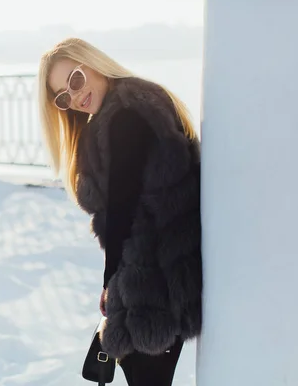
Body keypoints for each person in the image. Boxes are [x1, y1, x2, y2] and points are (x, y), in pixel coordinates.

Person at [37, 37, 202, 386]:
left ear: (93, 63)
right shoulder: (135, 103)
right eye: (63, 97)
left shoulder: (124, 116)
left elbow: (121, 209)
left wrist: (110, 283)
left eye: (75, 79)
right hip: (165, 274)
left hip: (154, 284)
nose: (75, 96)